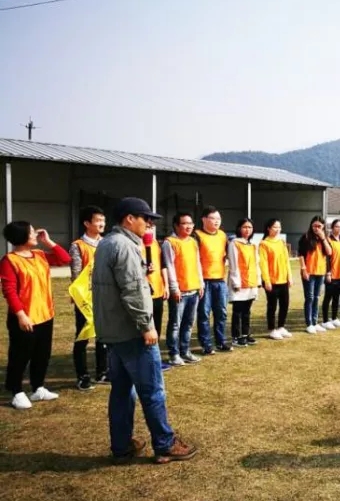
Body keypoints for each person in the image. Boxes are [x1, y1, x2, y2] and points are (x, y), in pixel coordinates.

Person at [92, 197, 196, 463]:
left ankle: (121, 446)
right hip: (132, 332)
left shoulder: (106, 243)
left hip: (113, 331)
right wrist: (147, 326)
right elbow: (133, 291)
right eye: (145, 219)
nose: (149, 224)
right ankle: (164, 444)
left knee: (121, 391)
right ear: (129, 219)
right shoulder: (125, 246)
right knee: (152, 390)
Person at [1, 222, 70, 410]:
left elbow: (65, 259)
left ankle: (38, 387)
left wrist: (49, 242)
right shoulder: (10, 260)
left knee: (42, 354)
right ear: (21, 236)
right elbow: (9, 291)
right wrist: (21, 315)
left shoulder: (40, 255)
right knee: (20, 355)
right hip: (25, 317)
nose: (35, 234)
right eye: (31, 232)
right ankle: (16, 391)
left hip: (45, 314)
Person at [70, 205, 108, 391]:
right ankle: (82, 375)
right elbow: (76, 274)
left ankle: (103, 371)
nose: (102, 224)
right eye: (98, 220)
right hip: (86, 298)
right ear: (87, 223)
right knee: (82, 336)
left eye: (103, 220)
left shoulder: (107, 243)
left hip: (105, 296)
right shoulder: (78, 245)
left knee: (104, 336)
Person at [162, 212, 204, 366]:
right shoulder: (170, 242)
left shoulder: (193, 242)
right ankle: (174, 354)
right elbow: (169, 266)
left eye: (191, 223)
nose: (189, 226)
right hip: (180, 291)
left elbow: (197, 263)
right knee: (175, 324)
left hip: (194, 289)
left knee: (188, 323)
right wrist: (174, 288)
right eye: (185, 223)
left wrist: (200, 283)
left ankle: (185, 351)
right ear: (176, 225)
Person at [195, 206, 231, 353]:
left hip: (220, 280)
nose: (216, 221)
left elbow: (228, 254)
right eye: (213, 218)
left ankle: (221, 341)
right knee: (204, 313)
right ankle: (206, 344)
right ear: (204, 219)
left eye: (218, 219)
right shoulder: (197, 235)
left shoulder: (222, 235)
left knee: (221, 312)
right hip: (204, 281)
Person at [227, 218, 260, 347]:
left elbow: (256, 263)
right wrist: (236, 282)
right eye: (245, 227)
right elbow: (233, 264)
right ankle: (236, 336)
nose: (247, 230)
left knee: (247, 310)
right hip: (240, 283)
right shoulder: (234, 243)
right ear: (239, 228)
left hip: (251, 282)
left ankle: (245, 334)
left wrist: (258, 280)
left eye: (250, 227)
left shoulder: (253, 244)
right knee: (238, 311)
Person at [259, 218, 293, 340]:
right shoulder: (264, 244)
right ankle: (272, 329)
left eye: (279, 227)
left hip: (283, 279)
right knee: (272, 306)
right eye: (274, 227)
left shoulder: (282, 242)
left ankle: (281, 327)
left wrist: (289, 276)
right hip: (271, 281)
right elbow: (263, 264)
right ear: (268, 228)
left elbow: (286, 261)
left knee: (285, 304)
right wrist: (266, 280)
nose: (277, 229)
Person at [298, 216, 333, 334]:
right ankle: (309, 323)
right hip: (309, 272)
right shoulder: (306, 237)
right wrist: (303, 269)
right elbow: (301, 254)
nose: (316, 228)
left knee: (317, 297)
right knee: (310, 297)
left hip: (320, 272)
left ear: (323, 227)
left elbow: (329, 252)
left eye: (319, 226)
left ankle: (315, 321)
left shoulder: (325, 238)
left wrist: (323, 238)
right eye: (314, 226)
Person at [322, 219, 340, 330]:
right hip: (332, 274)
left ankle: (334, 318)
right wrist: (328, 272)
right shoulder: (328, 240)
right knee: (328, 297)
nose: (339, 229)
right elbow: (327, 258)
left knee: (336, 298)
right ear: (332, 228)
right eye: (336, 226)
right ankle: (325, 320)